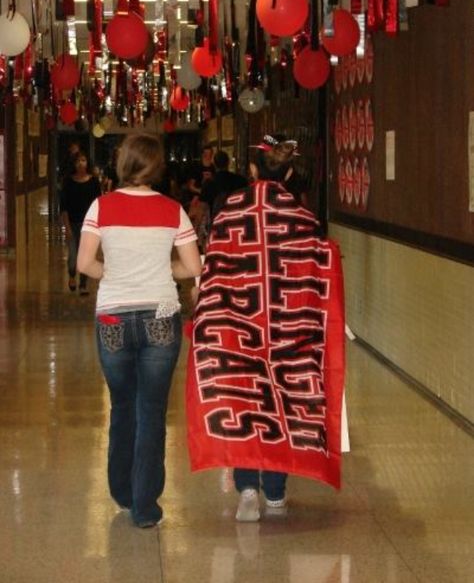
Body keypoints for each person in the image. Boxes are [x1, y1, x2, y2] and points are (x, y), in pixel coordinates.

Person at [186, 135, 345, 524]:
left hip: (236, 326)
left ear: (252, 170)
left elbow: (214, 270)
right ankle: (276, 492)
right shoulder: (304, 218)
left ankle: (247, 492)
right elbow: (319, 267)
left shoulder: (229, 212)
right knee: (283, 402)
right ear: (289, 171)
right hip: (289, 329)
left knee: (245, 398)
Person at [77, 133, 201, 528]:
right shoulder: (173, 210)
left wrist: (112, 274)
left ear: (123, 164)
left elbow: (83, 263)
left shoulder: (101, 206)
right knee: (152, 410)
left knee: (123, 405)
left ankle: (122, 491)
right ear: (156, 167)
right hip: (161, 314)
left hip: (113, 315)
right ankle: (146, 507)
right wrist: (163, 271)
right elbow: (193, 268)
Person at [60, 151, 102, 295]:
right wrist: (67, 227)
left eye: (83, 160)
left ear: (87, 163)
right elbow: (63, 206)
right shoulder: (68, 182)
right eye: (77, 161)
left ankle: (83, 284)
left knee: (86, 255)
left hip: (89, 225)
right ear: (74, 164)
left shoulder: (94, 182)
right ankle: (72, 275)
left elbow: (98, 204)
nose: (80, 163)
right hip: (73, 223)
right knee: (73, 256)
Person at [199, 150, 248, 222]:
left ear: (214, 164)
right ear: (228, 162)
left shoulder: (209, 183)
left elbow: (202, 208)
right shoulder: (241, 180)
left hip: (216, 222)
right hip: (236, 220)